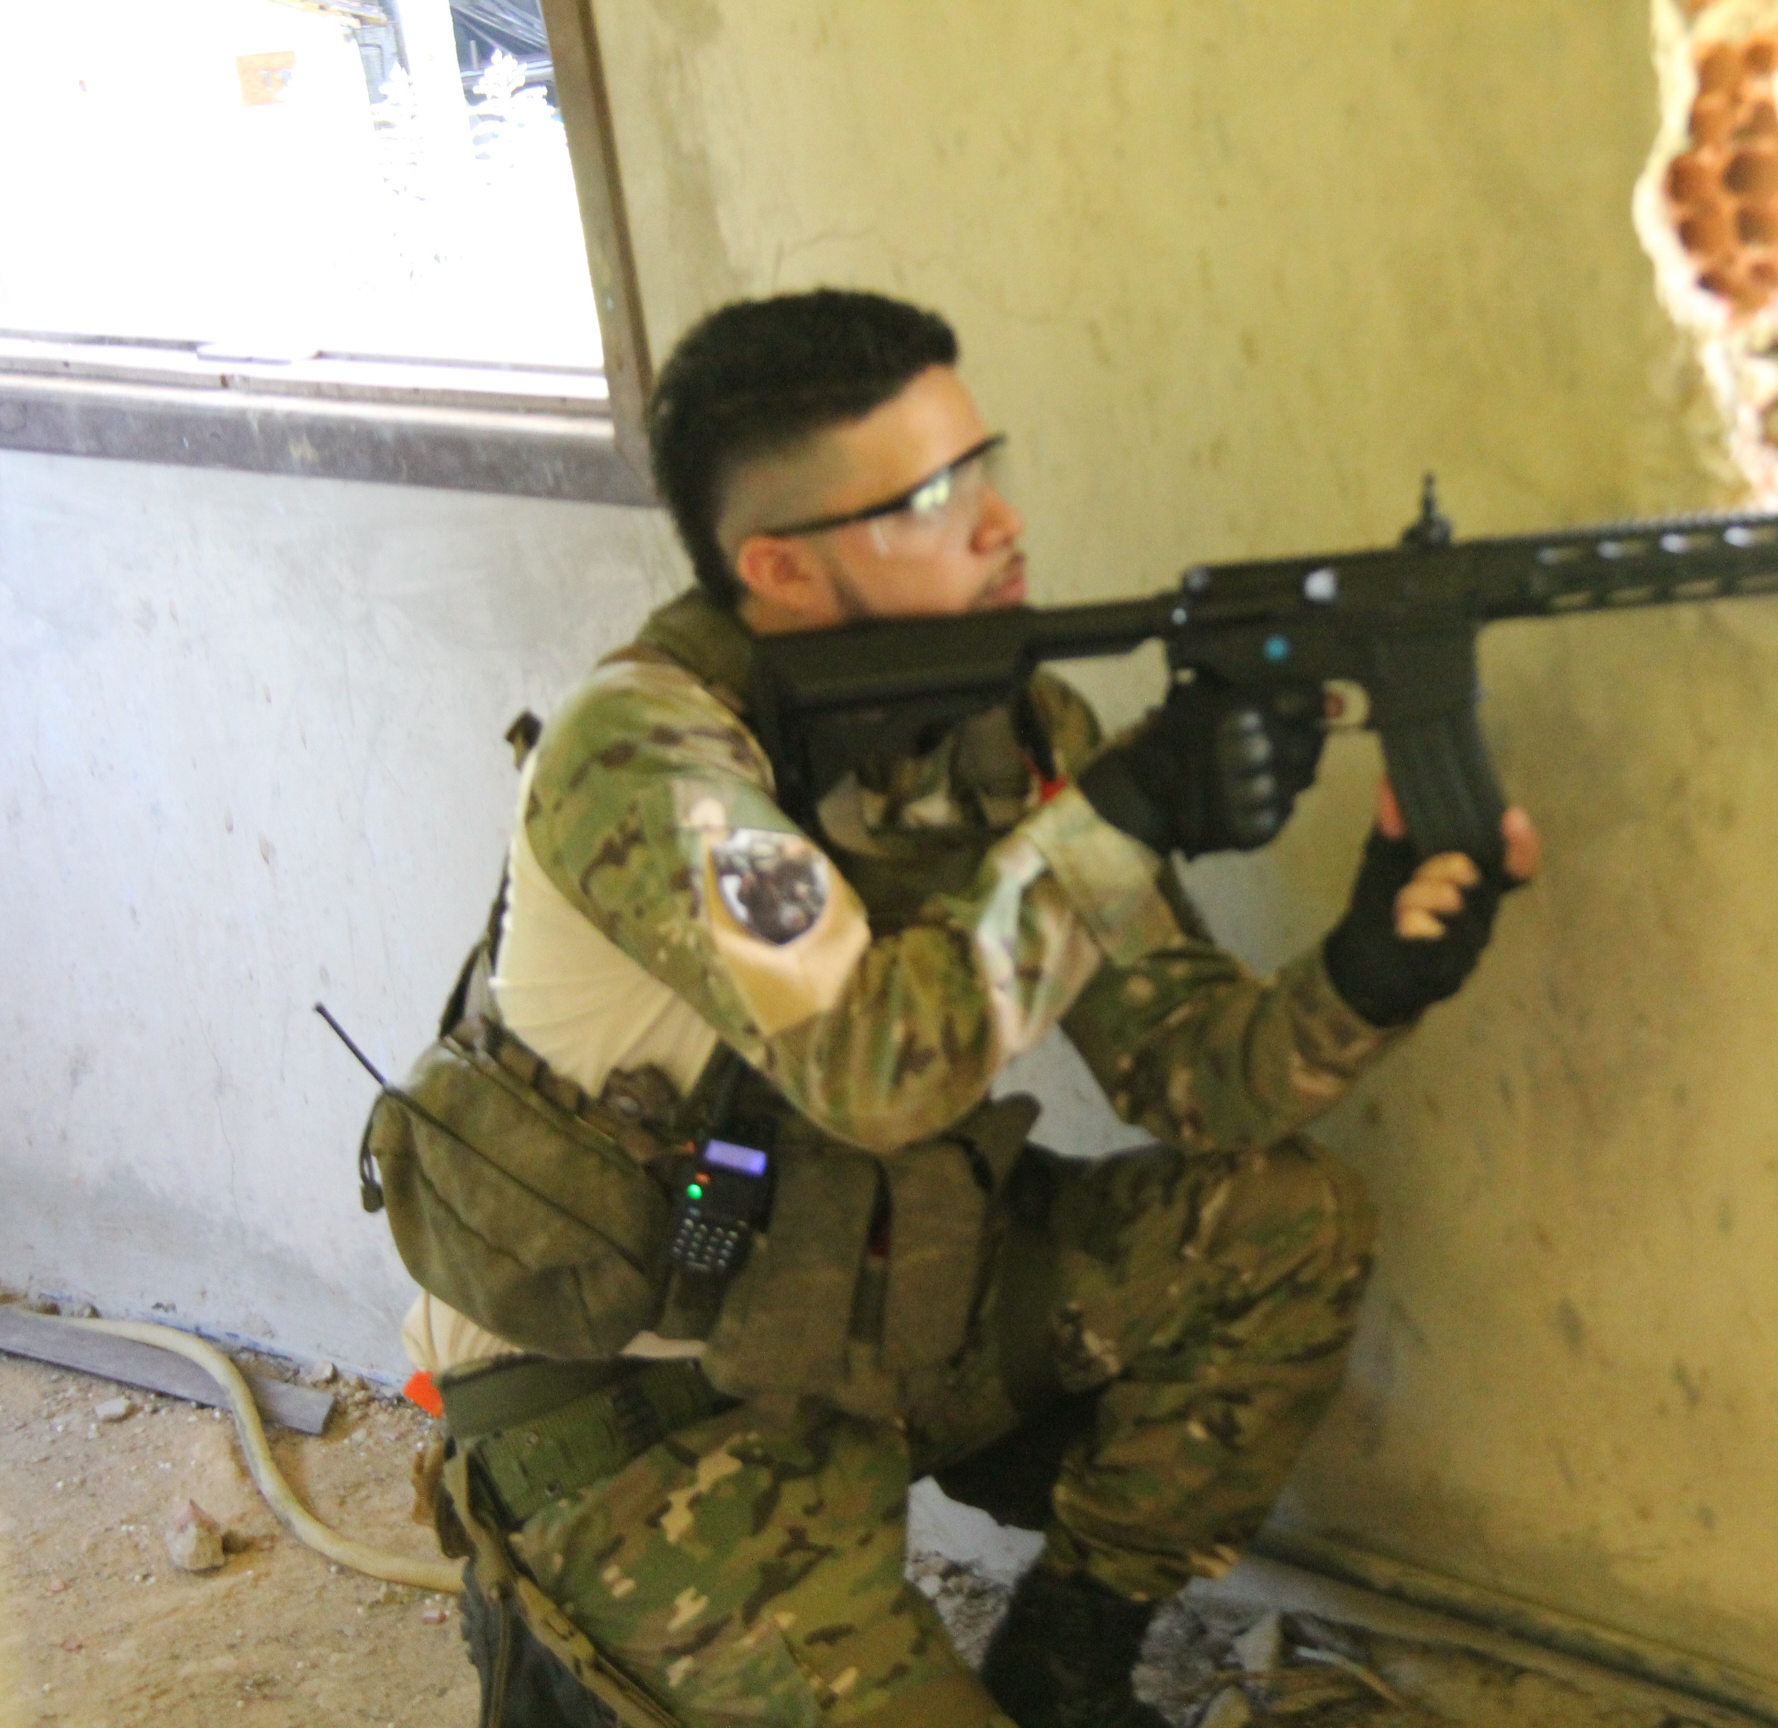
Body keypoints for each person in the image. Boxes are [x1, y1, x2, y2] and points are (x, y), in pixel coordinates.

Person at [399, 288, 1541, 1727]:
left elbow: (1203, 1079)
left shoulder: (1012, 731)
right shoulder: (646, 759)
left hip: (867, 1300)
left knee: (1284, 1224)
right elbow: (874, 1071)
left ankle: (1067, 1664)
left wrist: (1378, 961)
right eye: (935, 499)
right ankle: (571, 1647)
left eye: (984, 466)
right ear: (780, 568)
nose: (1000, 522)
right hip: (639, 1419)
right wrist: (1121, 812)